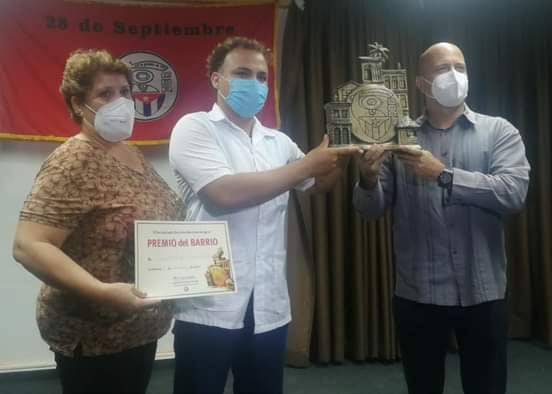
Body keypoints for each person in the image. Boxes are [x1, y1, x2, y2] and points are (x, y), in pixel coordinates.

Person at [169, 36, 360, 394]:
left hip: (269, 302)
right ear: (216, 79)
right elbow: (222, 194)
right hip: (209, 301)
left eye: (261, 76)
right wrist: (305, 166)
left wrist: (338, 157)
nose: (254, 83)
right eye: (242, 73)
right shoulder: (194, 127)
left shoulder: (278, 141)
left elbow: (317, 184)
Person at [353, 42, 530, 394]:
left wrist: (444, 175)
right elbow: (369, 209)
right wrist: (368, 178)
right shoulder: (396, 138)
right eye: (442, 69)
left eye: (460, 67)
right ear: (421, 85)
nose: (454, 75)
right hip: (418, 292)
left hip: (483, 292)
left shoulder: (499, 132)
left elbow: (514, 193)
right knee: (422, 385)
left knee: (487, 386)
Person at [12, 49, 183, 394]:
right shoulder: (74, 158)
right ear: (77, 104)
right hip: (94, 334)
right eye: (105, 94)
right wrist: (103, 293)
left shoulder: (129, 151)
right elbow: (28, 245)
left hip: (138, 327)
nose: (120, 102)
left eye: (125, 93)